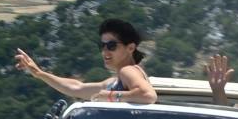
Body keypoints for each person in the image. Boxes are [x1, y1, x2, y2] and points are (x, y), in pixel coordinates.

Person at [15, 18, 157, 105]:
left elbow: (148, 95)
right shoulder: (113, 82)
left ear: (130, 48)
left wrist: (109, 96)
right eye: (102, 46)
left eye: (111, 46)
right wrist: (39, 73)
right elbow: (76, 88)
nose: (105, 51)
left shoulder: (129, 71)